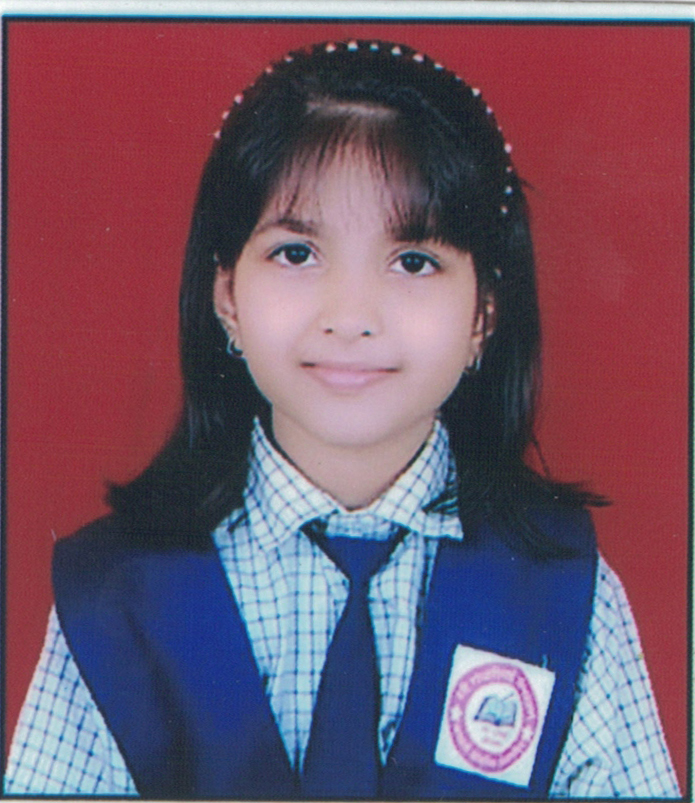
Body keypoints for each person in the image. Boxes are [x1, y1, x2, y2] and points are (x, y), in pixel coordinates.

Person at [5, 39, 679, 799]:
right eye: (296, 253)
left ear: (483, 315)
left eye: (413, 261)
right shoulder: (117, 596)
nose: (350, 316)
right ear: (226, 297)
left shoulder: (561, 591)